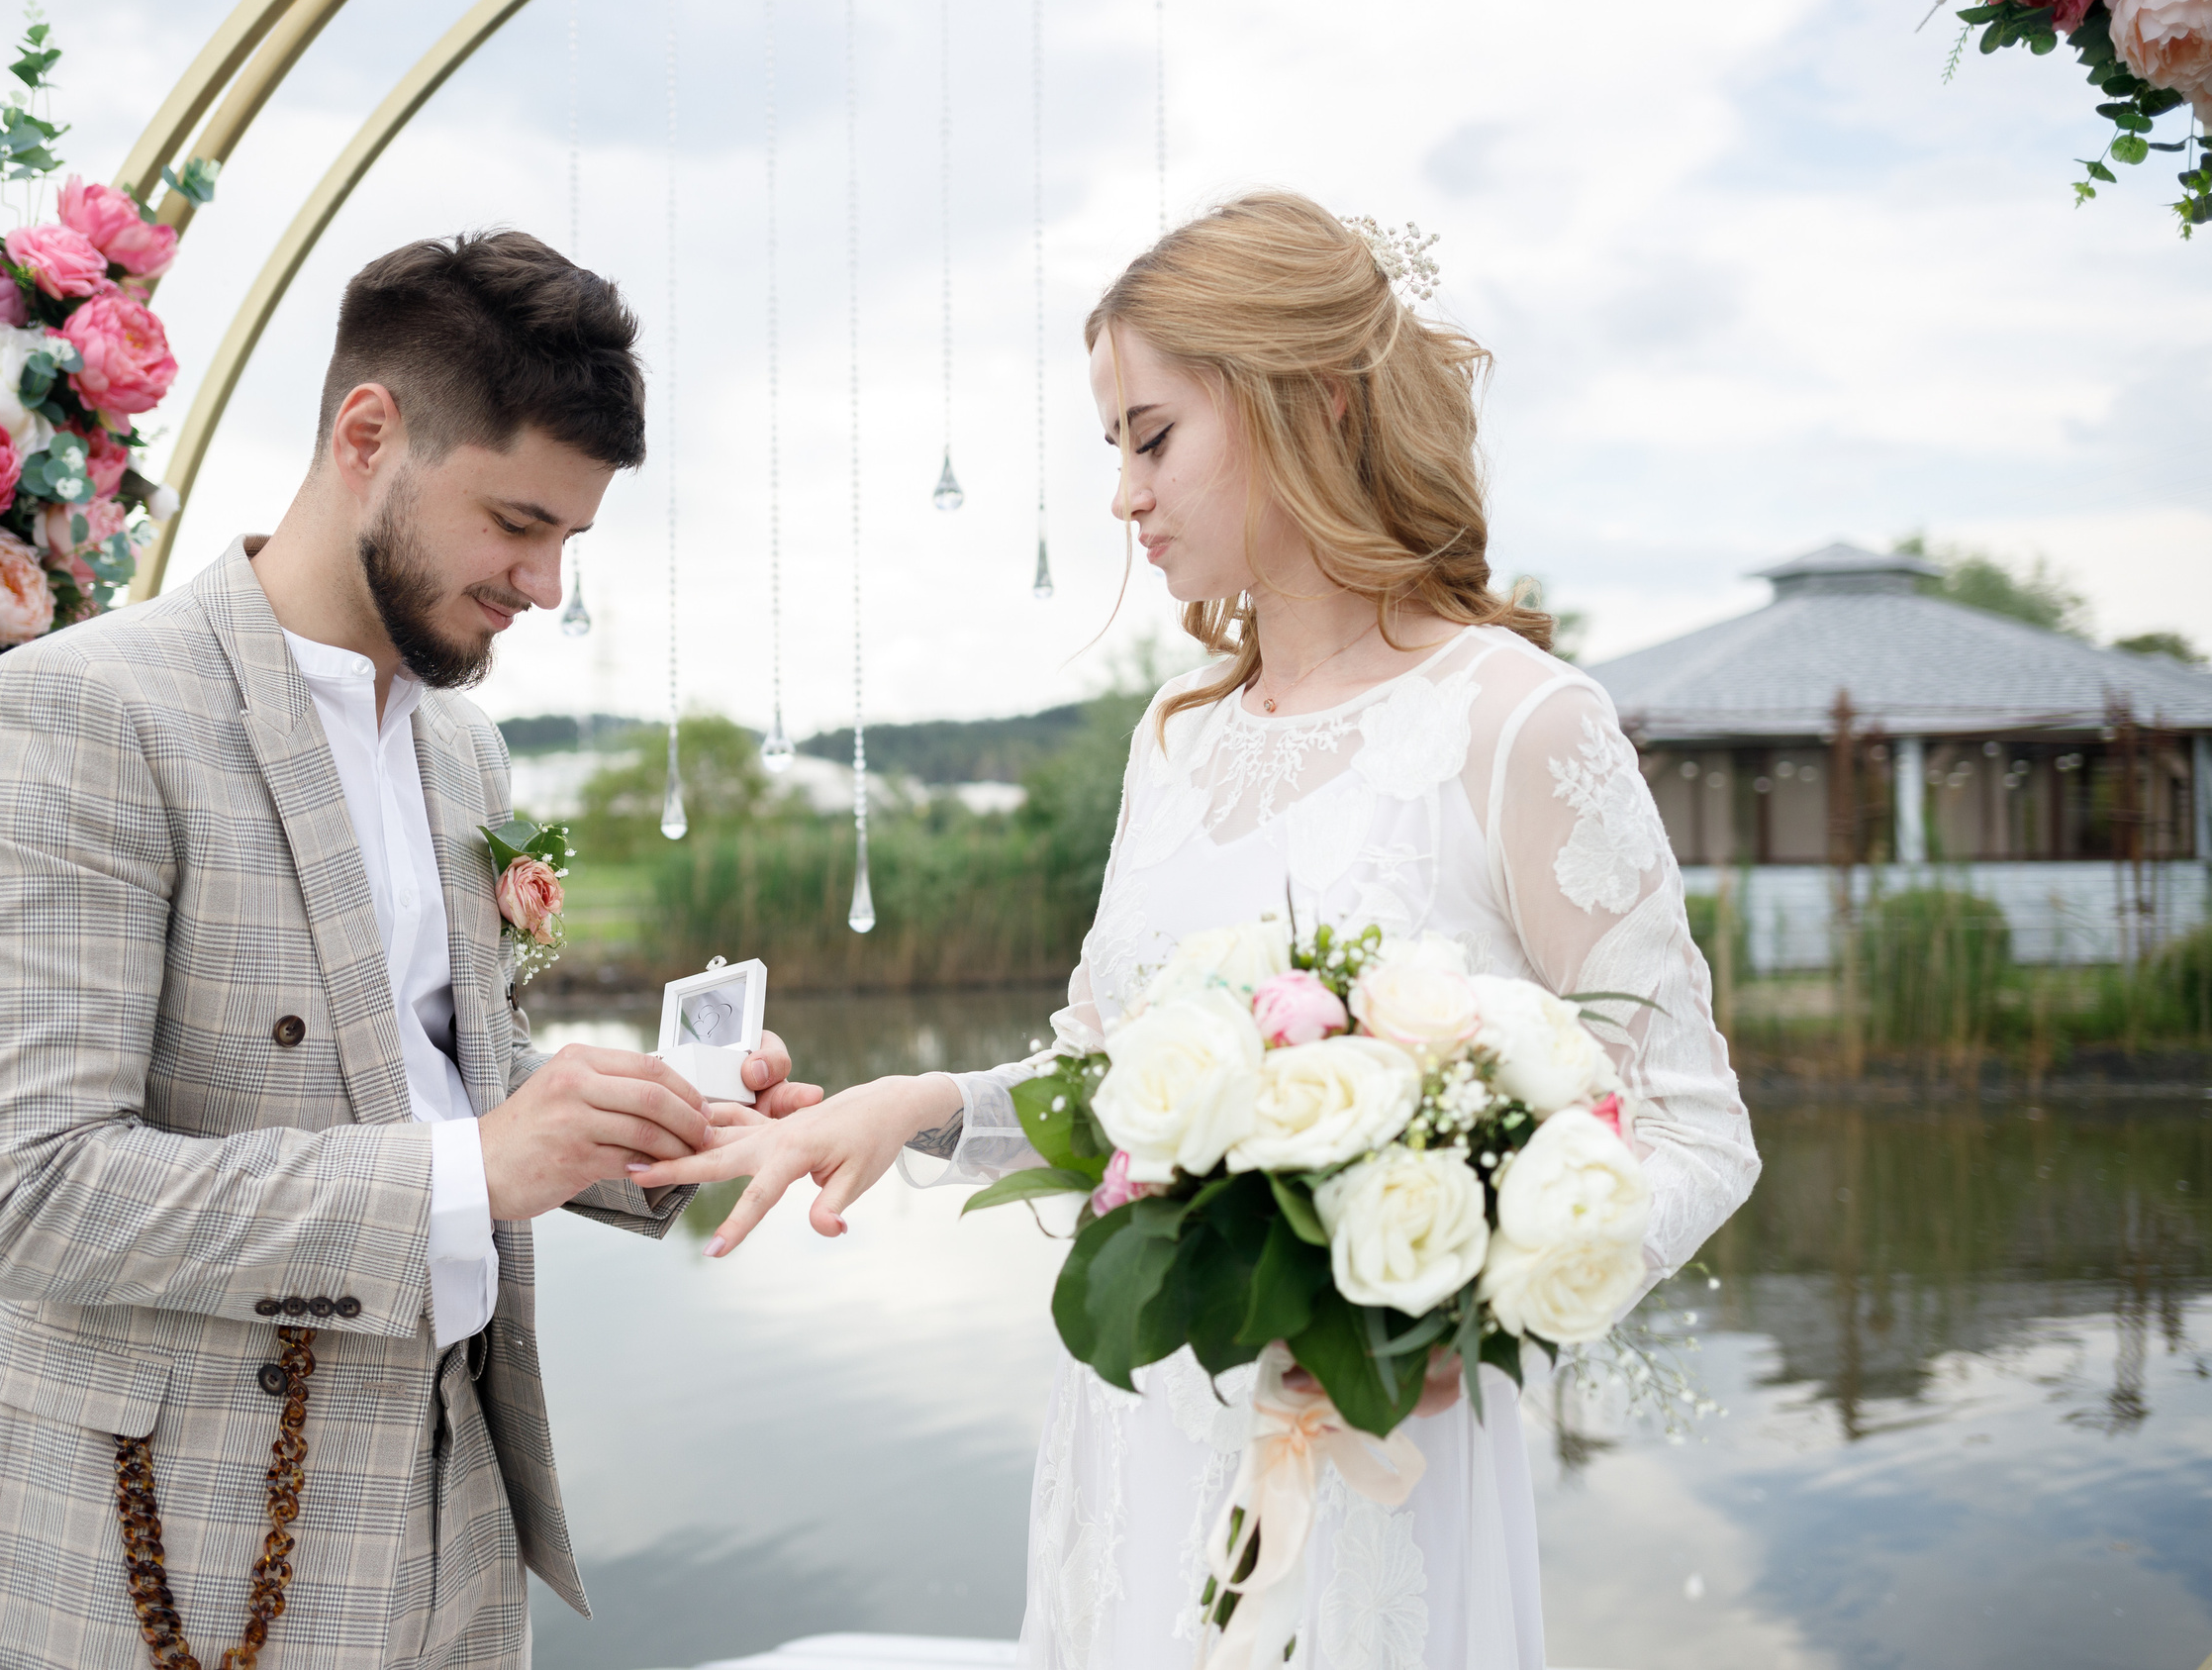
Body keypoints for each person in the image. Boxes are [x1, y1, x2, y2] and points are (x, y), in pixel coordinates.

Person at [630, 192, 1761, 1669]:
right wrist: (908, 1106)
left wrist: (1467, 1314)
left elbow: (1691, 1127)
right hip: (1134, 1430)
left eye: (1151, 435)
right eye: (1111, 446)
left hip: (1373, 1453)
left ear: (1315, 409)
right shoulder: (1174, 738)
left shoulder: (1514, 720)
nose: (1122, 494)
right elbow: (1106, 1085)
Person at [0, 230, 819, 1670]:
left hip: (451, 1526)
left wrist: (657, 1132)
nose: (545, 585)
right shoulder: (77, 712)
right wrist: (479, 1164)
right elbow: (37, 1194)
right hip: (169, 1558)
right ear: (366, 433)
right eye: (518, 520)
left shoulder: (464, 749)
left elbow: (443, 1086)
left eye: (570, 537)